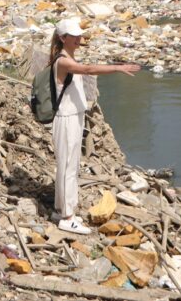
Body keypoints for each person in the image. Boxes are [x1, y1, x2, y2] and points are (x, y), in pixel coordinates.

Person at [50, 18, 141, 234]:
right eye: (74, 35)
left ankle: (60, 208)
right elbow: (89, 69)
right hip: (66, 118)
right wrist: (118, 68)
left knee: (71, 165)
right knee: (67, 166)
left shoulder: (69, 56)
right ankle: (67, 217)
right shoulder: (62, 60)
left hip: (74, 116)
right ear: (63, 38)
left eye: (79, 35)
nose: (79, 38)